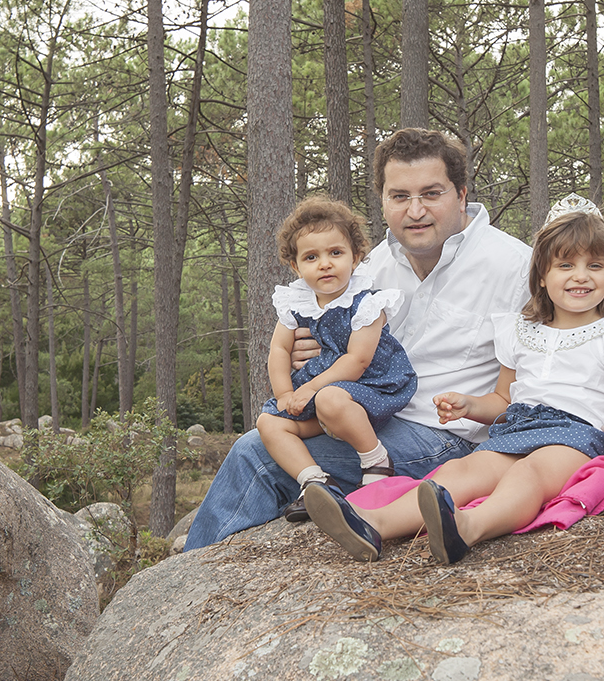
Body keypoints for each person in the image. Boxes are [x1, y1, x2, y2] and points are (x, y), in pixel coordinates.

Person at [183, 127, 531, 549]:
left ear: (460, 194)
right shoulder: (369, 267)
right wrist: (308, 351)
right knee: (268, 433)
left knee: (254, 455)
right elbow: (323, 337)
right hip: (359, 411)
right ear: (383, 200)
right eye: (400, 196)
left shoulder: (515, 268)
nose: (415, 210)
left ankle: (189, 590)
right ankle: (204, 580)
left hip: (442, 435)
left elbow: (542, 367)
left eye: (431, 194)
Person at [307, 198, 604, 563]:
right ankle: (372, 523)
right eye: (565, 264)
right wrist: (470, 406)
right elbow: (504, 402)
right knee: (463, 469)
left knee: (530, 473)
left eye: (595, 265)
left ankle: (468, 527)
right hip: (519, 430)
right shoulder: (521, 332)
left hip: (574, 437)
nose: (580, 275)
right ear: (542, 274)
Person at [256, 195, 418, 499]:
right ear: (295, 265)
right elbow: (279, 350)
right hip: (324, 392)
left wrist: (311, 389)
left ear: (354, 258)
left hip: (372, 384)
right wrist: (284, 394)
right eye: (311, 257)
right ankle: (314, 482)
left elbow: (357, 360)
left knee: (329, 397)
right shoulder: (297, 302)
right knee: (268, 422)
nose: (325, 263)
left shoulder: (367, 303)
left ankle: (377, 462)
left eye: (335, 252)